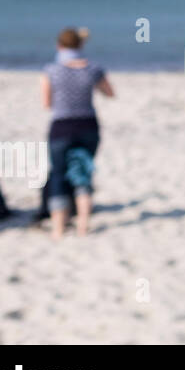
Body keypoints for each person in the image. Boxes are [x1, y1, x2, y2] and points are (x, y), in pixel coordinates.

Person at [40, 28, 114, 239]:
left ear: (59, 46)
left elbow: (47, 103)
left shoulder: (51, 70)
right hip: (88, 125)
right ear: (81, 46)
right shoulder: (93, 69)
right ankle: (83, 225)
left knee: (58, 175)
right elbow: (110, 93)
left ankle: (58, 229)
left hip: (61, 126)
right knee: (83, 173)